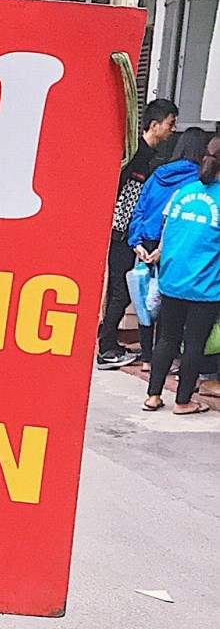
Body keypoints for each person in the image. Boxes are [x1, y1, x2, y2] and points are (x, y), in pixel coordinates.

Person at [142, 133, 220, 415]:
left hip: (172, 281)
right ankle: (183, 401)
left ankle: (153, 396)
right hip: (204, 286)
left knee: (167, 339)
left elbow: (166, 234)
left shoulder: (183, 193)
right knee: (194, 344)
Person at [97, 97, 177, 369]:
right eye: (170, 123)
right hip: (120, 235)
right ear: (155, 125)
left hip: (125, 235)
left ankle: (108, 341)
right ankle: (106, 348)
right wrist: (128, 235)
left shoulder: (146, 156)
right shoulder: (136, 156)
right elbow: (125, 198)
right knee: (121, 291)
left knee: (120, 290)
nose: (172, 129)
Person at [127, 125, 210, 366]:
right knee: (167, 301)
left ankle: (147, 357)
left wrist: (137, 242)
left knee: (144, 299)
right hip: (171, 244)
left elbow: (140, 208)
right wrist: (162, 249)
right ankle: (167, 357)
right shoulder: (198, 181)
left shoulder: (159, 173)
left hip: (145, 242)